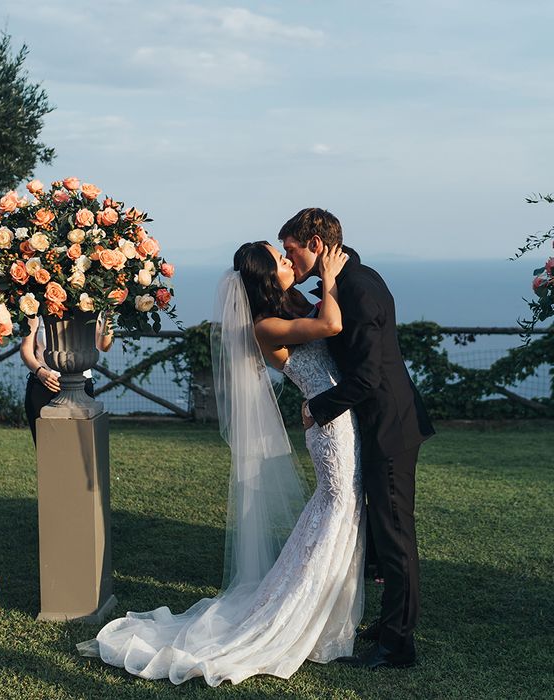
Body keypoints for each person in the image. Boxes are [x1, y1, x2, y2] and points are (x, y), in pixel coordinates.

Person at [78, 242, 364, 686]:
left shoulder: (288, 310)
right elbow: (332, 323)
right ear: (267, 276)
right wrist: (328, 274)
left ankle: (324, 612)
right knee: (336, 509)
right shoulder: (266, 325)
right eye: (281, 259)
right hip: (330, 430)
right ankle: (296, 614)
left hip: (338, 418)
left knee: (338, 510)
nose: (290, 262)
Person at [279, 207, 435, 669]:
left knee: (394, 539)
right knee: (382, 533)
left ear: (316, 245)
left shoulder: (359, 290)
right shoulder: (348, 282)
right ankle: (389, 627)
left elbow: (366, 377)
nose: (289, 260)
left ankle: (397, 647)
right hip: (377, 425)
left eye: (291, 250)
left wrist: (315, 408)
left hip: (389, 428)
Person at [20, 313, 113, 444]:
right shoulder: (37, 310)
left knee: (79, 445)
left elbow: (104, 346)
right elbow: (25, 349)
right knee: (46, 447)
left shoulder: (90, 309)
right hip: (43, 385)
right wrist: (40, 372)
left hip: (81, 387)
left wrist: (109, 317)